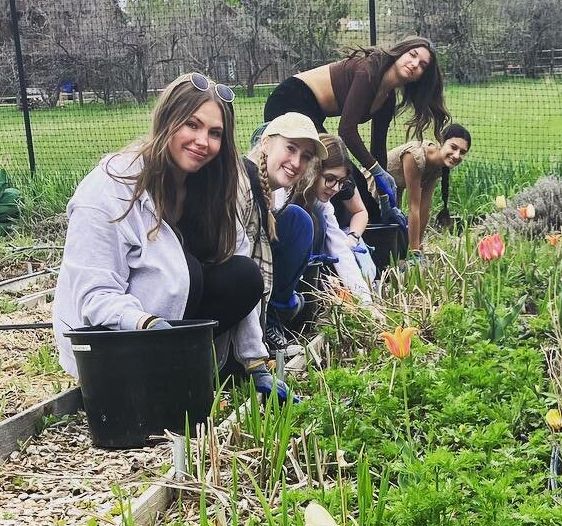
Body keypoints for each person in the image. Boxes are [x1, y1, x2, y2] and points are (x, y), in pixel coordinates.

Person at [52, 71, 269, 390]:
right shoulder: (108, 190)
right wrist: (149, 325)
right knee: (188, 270)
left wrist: (255, 360)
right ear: (167, 120)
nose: (202, 141)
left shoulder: (209, 190)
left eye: (215, 133)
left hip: (171, 325)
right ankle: (165, 373)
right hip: (109, 342)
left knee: (243, 274)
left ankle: (187, 369)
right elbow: (94, 298)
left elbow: (237, 259)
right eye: (191, 125)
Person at [264, 36, 448, 217]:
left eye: (422, 65)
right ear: (400, 53)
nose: (415, 63)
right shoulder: (369, 71)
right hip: (289, 99)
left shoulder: (387, 99)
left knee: (347, 179)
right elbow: (346, 130)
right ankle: (293, 217)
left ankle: (363, 228)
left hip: (312, 112)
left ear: (421, 76)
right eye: (412, 54)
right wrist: (377, 172)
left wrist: (384, 198)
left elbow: (378, 149)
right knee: (337, 172)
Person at [246, 113, 324, 362]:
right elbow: (243, 262)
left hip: (255, 284)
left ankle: (273, 318)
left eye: (305, 157)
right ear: (266, 143)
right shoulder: (242, 184)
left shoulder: (280, 192)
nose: (296, 162)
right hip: (228, 287)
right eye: (290, 148)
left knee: (299, 221)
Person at [301, 133, 376, 303]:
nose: (335, 188)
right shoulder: (287, 192)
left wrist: (365, 302)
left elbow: (340, 249)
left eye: (341, 181)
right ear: (313, 169)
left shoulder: (322, 204)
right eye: (329, 179)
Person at [388, 124, 472, 253]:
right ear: (441, 141)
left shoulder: (439, 164)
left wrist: (418, 245)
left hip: (394, 191)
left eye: (462, 152)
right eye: (453, 147)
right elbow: (413, 207)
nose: (456, 155)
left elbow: (424, 208)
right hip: (375, 188)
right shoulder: (415, 157)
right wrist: (414, 251)